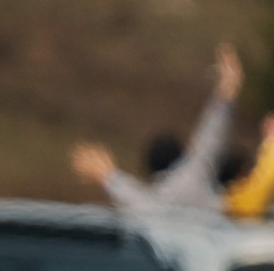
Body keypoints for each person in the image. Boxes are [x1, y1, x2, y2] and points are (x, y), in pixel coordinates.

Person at [71, 43, 255, 214]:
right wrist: (229, 85)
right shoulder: (193, 176)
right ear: (181, 155)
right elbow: (212, 134)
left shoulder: (151, 204)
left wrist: (106, 175)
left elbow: (129, 194)